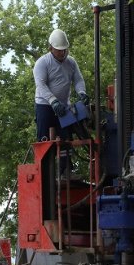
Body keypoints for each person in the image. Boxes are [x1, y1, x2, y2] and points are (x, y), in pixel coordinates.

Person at [33, 28, 90, 175]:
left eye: (65, 50)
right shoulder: (42, 63)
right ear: (51, 48)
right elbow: (41, 84)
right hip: (45, 106)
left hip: (63, 107)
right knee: (44, 140)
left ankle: (66, 170)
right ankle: (43, 172)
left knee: (65, 138)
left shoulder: (71, 63)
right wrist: (53, 101)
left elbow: (78, 80)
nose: (63, 53)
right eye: (59, 50)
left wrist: (82, 92)